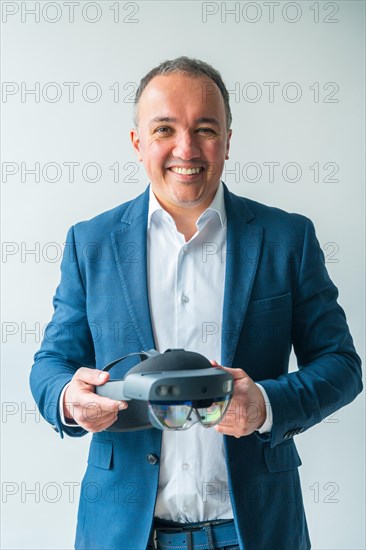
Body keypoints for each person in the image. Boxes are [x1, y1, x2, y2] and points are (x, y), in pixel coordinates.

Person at [30, 57, 362, 550]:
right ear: (137, 142)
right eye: (164, 128)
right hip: (123, 534)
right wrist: (67, 399)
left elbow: (342, 366)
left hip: (256, 531)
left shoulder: (286, 238)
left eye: (205, 129)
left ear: (228, 140)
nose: (185, 149)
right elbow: (51, 363)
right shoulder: (91, 242)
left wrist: (266, 406)